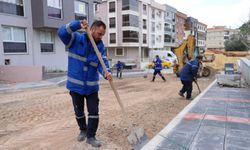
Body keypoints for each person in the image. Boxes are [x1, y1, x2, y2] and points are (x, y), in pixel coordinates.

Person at [58, 19, 112, 147]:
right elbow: (61, 33)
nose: (100, 37)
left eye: (102, 34)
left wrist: (107, 73)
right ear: (92, 30)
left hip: (92, 88)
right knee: (79, 112)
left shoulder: (100, 47)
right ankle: (83, 130)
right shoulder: (75, 39)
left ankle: (91, 136)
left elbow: (102, 63)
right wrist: (76, 25)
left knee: (94, 112)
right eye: (99, 33)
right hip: (75, 87)